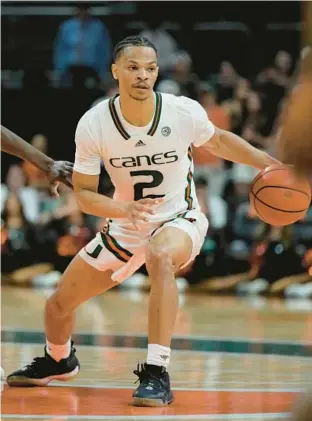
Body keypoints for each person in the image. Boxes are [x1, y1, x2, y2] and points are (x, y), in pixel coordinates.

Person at [6, 36, 279, 407]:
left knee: (160, 254)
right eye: (133, 68)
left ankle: (156, 371)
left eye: (150, 69)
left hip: (179, 218)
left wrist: (269, 164)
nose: (142, 76)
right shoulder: (94, 124)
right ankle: (59, 359)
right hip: (125, 225)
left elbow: (220, 142)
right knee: (57, 306)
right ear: (116, 71)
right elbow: (84, 195)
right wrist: (124, 211)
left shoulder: (181, 111)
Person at [1, 125, 73, 196]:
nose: (40, 149)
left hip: (49, 196)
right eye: (37, 147)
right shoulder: (25, 165)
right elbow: (25, 185)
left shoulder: (52, 164)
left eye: (42, 147)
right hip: (30, 195)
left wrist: (49, 164)